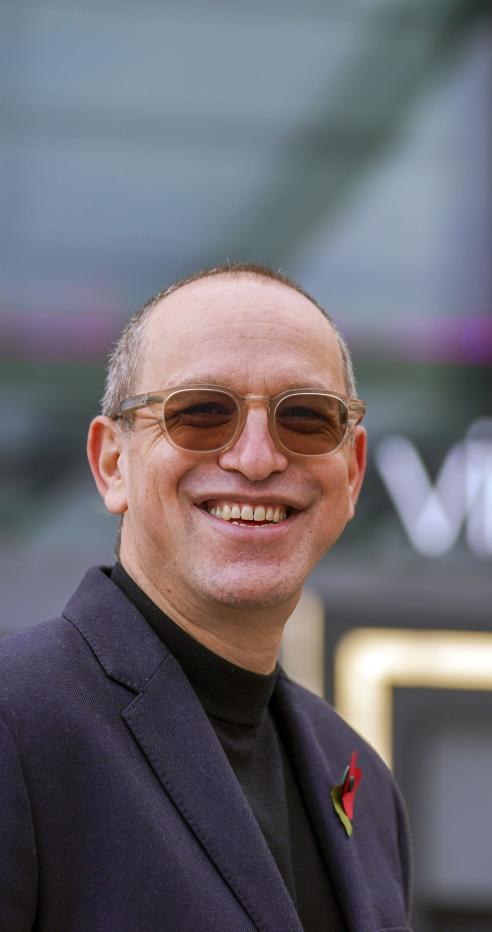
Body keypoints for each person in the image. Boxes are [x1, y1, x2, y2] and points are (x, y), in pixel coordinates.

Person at [0, 264, 413, 931]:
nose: (256, 458)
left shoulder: (362, 781)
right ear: (112, 464)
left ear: (353, 471)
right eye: (200, 413)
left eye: (305, 418)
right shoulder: (17, 723)